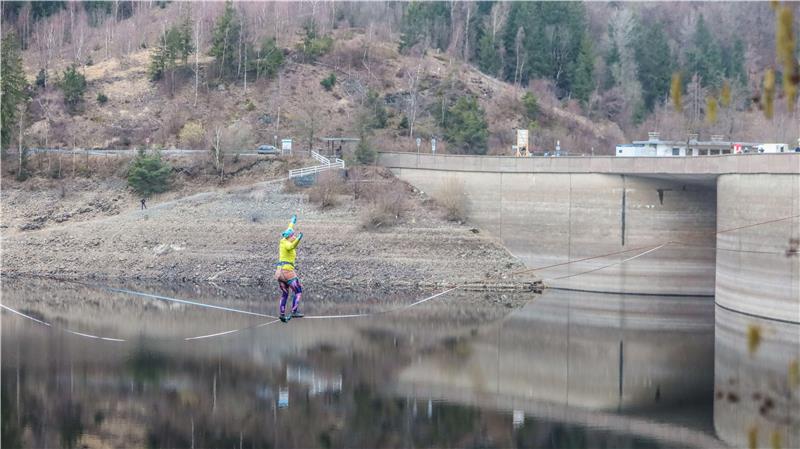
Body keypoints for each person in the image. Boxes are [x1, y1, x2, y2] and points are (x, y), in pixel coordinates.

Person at [275, 214, 304, 322]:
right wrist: (299, 239)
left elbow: (289, 228)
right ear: (289, 237)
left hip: (279, 273)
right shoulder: (287, 243)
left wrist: (292, 222)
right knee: (298, 291)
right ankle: (294, 311)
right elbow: (292, 246)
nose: (294, 237)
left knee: (285, 294)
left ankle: (282, 315)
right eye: (293, 236)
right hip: (287, 272)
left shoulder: (284, 239)